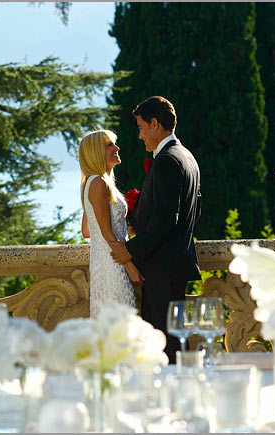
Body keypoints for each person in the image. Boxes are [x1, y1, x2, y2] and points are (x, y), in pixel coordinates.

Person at [110, 96, 202, 364]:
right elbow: (189, 213)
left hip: (162, 270)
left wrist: (129, 251)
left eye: (140, 127)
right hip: (175, 266)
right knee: (173, 343)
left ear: (154, 123)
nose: (139, 136)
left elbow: (165, 220)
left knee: (163, 349)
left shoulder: (167, 161)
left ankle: (171, 401)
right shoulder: (187, 157)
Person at [79, 129, 142, 319]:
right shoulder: (98, 183)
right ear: (96, 152)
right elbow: (105, 232)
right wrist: (130, 267)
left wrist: (125, 227)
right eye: (109, 145)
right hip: (114, 264)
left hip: (103, 262)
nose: (117, 147)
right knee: (121, 324)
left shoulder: (92, 182)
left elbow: (87, 230)